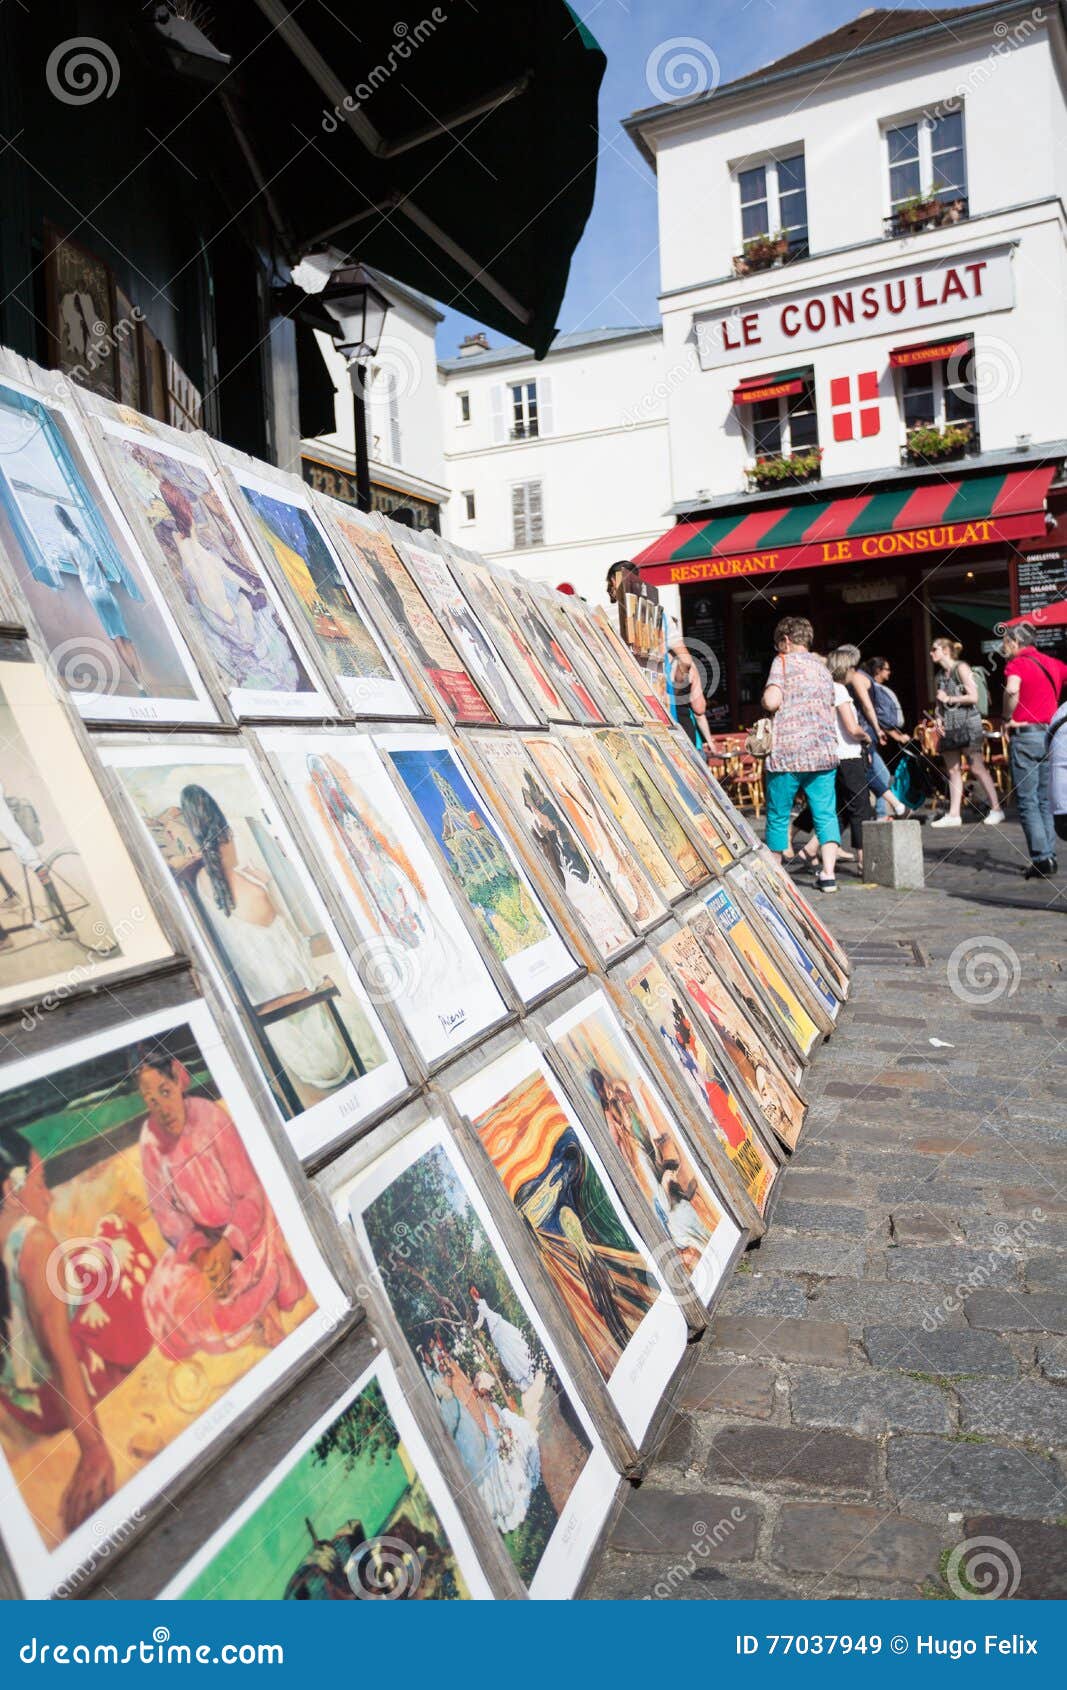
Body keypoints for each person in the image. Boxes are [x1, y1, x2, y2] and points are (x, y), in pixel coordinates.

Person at [0, 1144, 154, 1535]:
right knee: (118, 1238)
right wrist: (93, 1447)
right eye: (39, 1183)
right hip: (60, 1395)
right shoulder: (32, 1244)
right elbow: (59, 1356)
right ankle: (118, 1227)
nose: (48, 1196)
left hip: (20, 1399)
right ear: (9, 1189)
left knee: (90, 1256)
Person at [136, 1047, 306, 1357]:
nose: (162, 1108)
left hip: (243, 1229)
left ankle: (260, 1314)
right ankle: (234, 1309)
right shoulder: (150, 1141)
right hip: (202, 1241)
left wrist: (228, 1248)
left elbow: (249, 1193)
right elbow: (166, 1215)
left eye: (165, 1091)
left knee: (252, 1273)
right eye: (151, 1100)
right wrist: (204, 1257)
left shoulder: (210, 1116)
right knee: (172, 1299)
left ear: (179, 1080)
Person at [760, 616, 841, 893]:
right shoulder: (823, 669)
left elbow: (772, 700)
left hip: (788, 753)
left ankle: (775, 871)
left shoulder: (782, 662)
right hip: (823, 752)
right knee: (826, 814)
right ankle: (829, 875)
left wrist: (765, 700)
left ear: (786, 640)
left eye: (777, 645)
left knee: (778, 813)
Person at [606, 562, 710, 743]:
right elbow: (685, 660)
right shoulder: (660, 615)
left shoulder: (603, 616)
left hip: (621, 703)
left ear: (614, 581)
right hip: (660, 704)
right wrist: (675, 686)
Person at [1002, 623, 1067, 877]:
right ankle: (1047, 854)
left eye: (1006, 643)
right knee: (1045, 800)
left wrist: (1007, 716)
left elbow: (1012, 689)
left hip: (1026, 735)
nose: (1005, 648)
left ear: (1016, 643)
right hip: (1052, 737)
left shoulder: (1017, 664)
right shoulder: (1052, 663)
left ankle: (1043, 858)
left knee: (1028, 801)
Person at [929, 637, 1005, 832]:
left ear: (945, 650)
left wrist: (950, 698)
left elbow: (974, 696)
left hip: (968, 723)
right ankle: (954, 814)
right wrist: (937, 719)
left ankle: (996, 808)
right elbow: (939, 705)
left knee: (977, 767)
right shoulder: (939, 676)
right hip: (950, 725)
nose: (931, 653)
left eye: (934, 649)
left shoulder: (961, 668)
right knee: (953, 770)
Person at [835, 644, 909, 819]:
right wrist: (876, 729)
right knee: (877, 774)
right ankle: (884, 815)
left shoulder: (856, 678)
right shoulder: (859, 678)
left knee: (873, 774)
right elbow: (868, 706)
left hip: (861, 732)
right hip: (860, 733)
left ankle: (886, 813)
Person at [828, 647, 872, 876]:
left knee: (839, 808)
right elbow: (851, 728)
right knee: (860, 807)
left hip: (835, 755)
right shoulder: (840, 692)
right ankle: (864, 859)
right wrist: (866, 736)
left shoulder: (826, 690)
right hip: (848, 755)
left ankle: (810, 851)